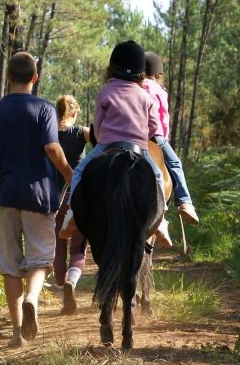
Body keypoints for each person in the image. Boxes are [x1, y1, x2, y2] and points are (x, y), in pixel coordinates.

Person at [0, 52, 74, 348]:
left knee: (10, 264)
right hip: (39, 195)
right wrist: (70, 175)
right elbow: (53, 149)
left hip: (4, 196)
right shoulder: (44, 109)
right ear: (34, 77)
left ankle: (17, 333)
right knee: (41, 258)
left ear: (7, 77)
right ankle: (32, 298)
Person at [58, 40, 174, 248]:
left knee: (79, 172)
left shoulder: (105, 92)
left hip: (107, 146)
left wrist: (104, 139)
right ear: (140, 71)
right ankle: (161, 220)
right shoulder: (144, 96)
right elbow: (155, 127)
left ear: (113, 67)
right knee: (157, 175)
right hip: (139, 148)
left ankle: (72, 214)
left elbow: (98, 127)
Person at [143, 52, 200, 224]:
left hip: (132, 135)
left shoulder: (134, 86)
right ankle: (184, 202)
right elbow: (163, 117)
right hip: (155, 136)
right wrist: (164, 138)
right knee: (175, 163)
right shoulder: (159, 90)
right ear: (158, 75)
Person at [52, 95, 90, 315]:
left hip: (54, 199)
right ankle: (71, 282)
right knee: (78, 248)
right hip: (78, 199)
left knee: (58, 246)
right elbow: (102, 141)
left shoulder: (49, 134)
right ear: (74, 113)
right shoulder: (81, 132)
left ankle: (61, 282)